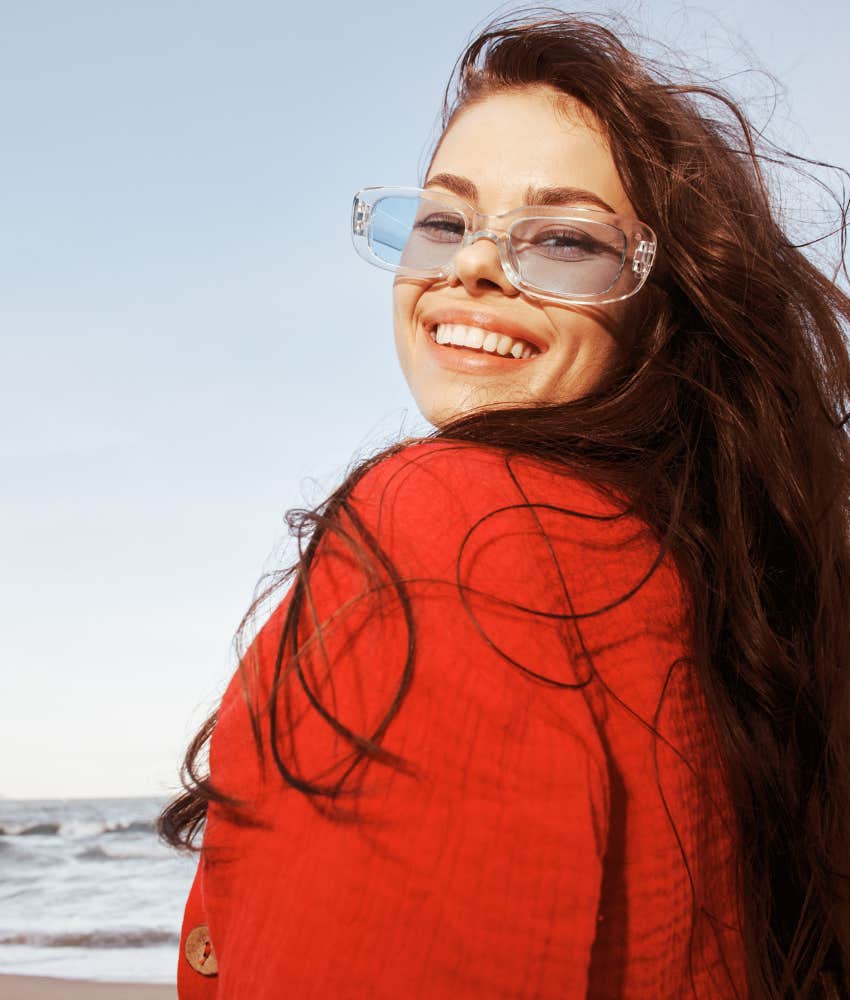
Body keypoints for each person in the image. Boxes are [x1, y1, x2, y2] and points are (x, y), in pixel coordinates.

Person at [158, 9, 850, 999]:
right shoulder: (725, 599)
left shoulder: (445, 528)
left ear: (662, 302)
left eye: (563, 239)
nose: (472, 265)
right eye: (442, 220)